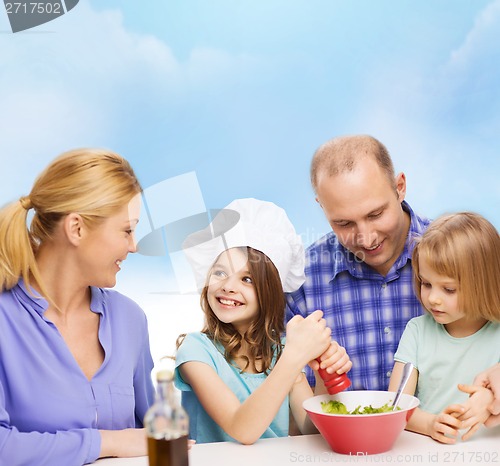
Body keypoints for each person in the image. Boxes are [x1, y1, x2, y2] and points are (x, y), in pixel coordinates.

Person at [0, 149, 155, 465]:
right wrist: (106, 442)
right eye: (126, 230)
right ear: (77, 228)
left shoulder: (130, 319)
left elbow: (152, 433)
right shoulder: (5, 321)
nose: (134, 245)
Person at [174, 198, 352, 444]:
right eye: (220, 273)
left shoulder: (280, 353)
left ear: (269, 292)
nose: (228, 286)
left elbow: (312, 431)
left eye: (247, 279)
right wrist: (294, 356)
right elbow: (242, 430)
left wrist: (322, 374)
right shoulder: (196, 351)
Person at [286, 135, 430, 390]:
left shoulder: (464, 255)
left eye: (375, 214)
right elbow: (291, 402)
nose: (366, 238)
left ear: (400, 187)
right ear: (322, 207)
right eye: (344, 223)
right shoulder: (300, 280)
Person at [388, 212, 500, 444]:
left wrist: (489, 400)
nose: (433, 299)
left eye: (448, 289)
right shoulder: (417, 331)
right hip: (432, 452)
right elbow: (396, 405)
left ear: (485, 284)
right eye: (426, 284)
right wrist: (429, 424)